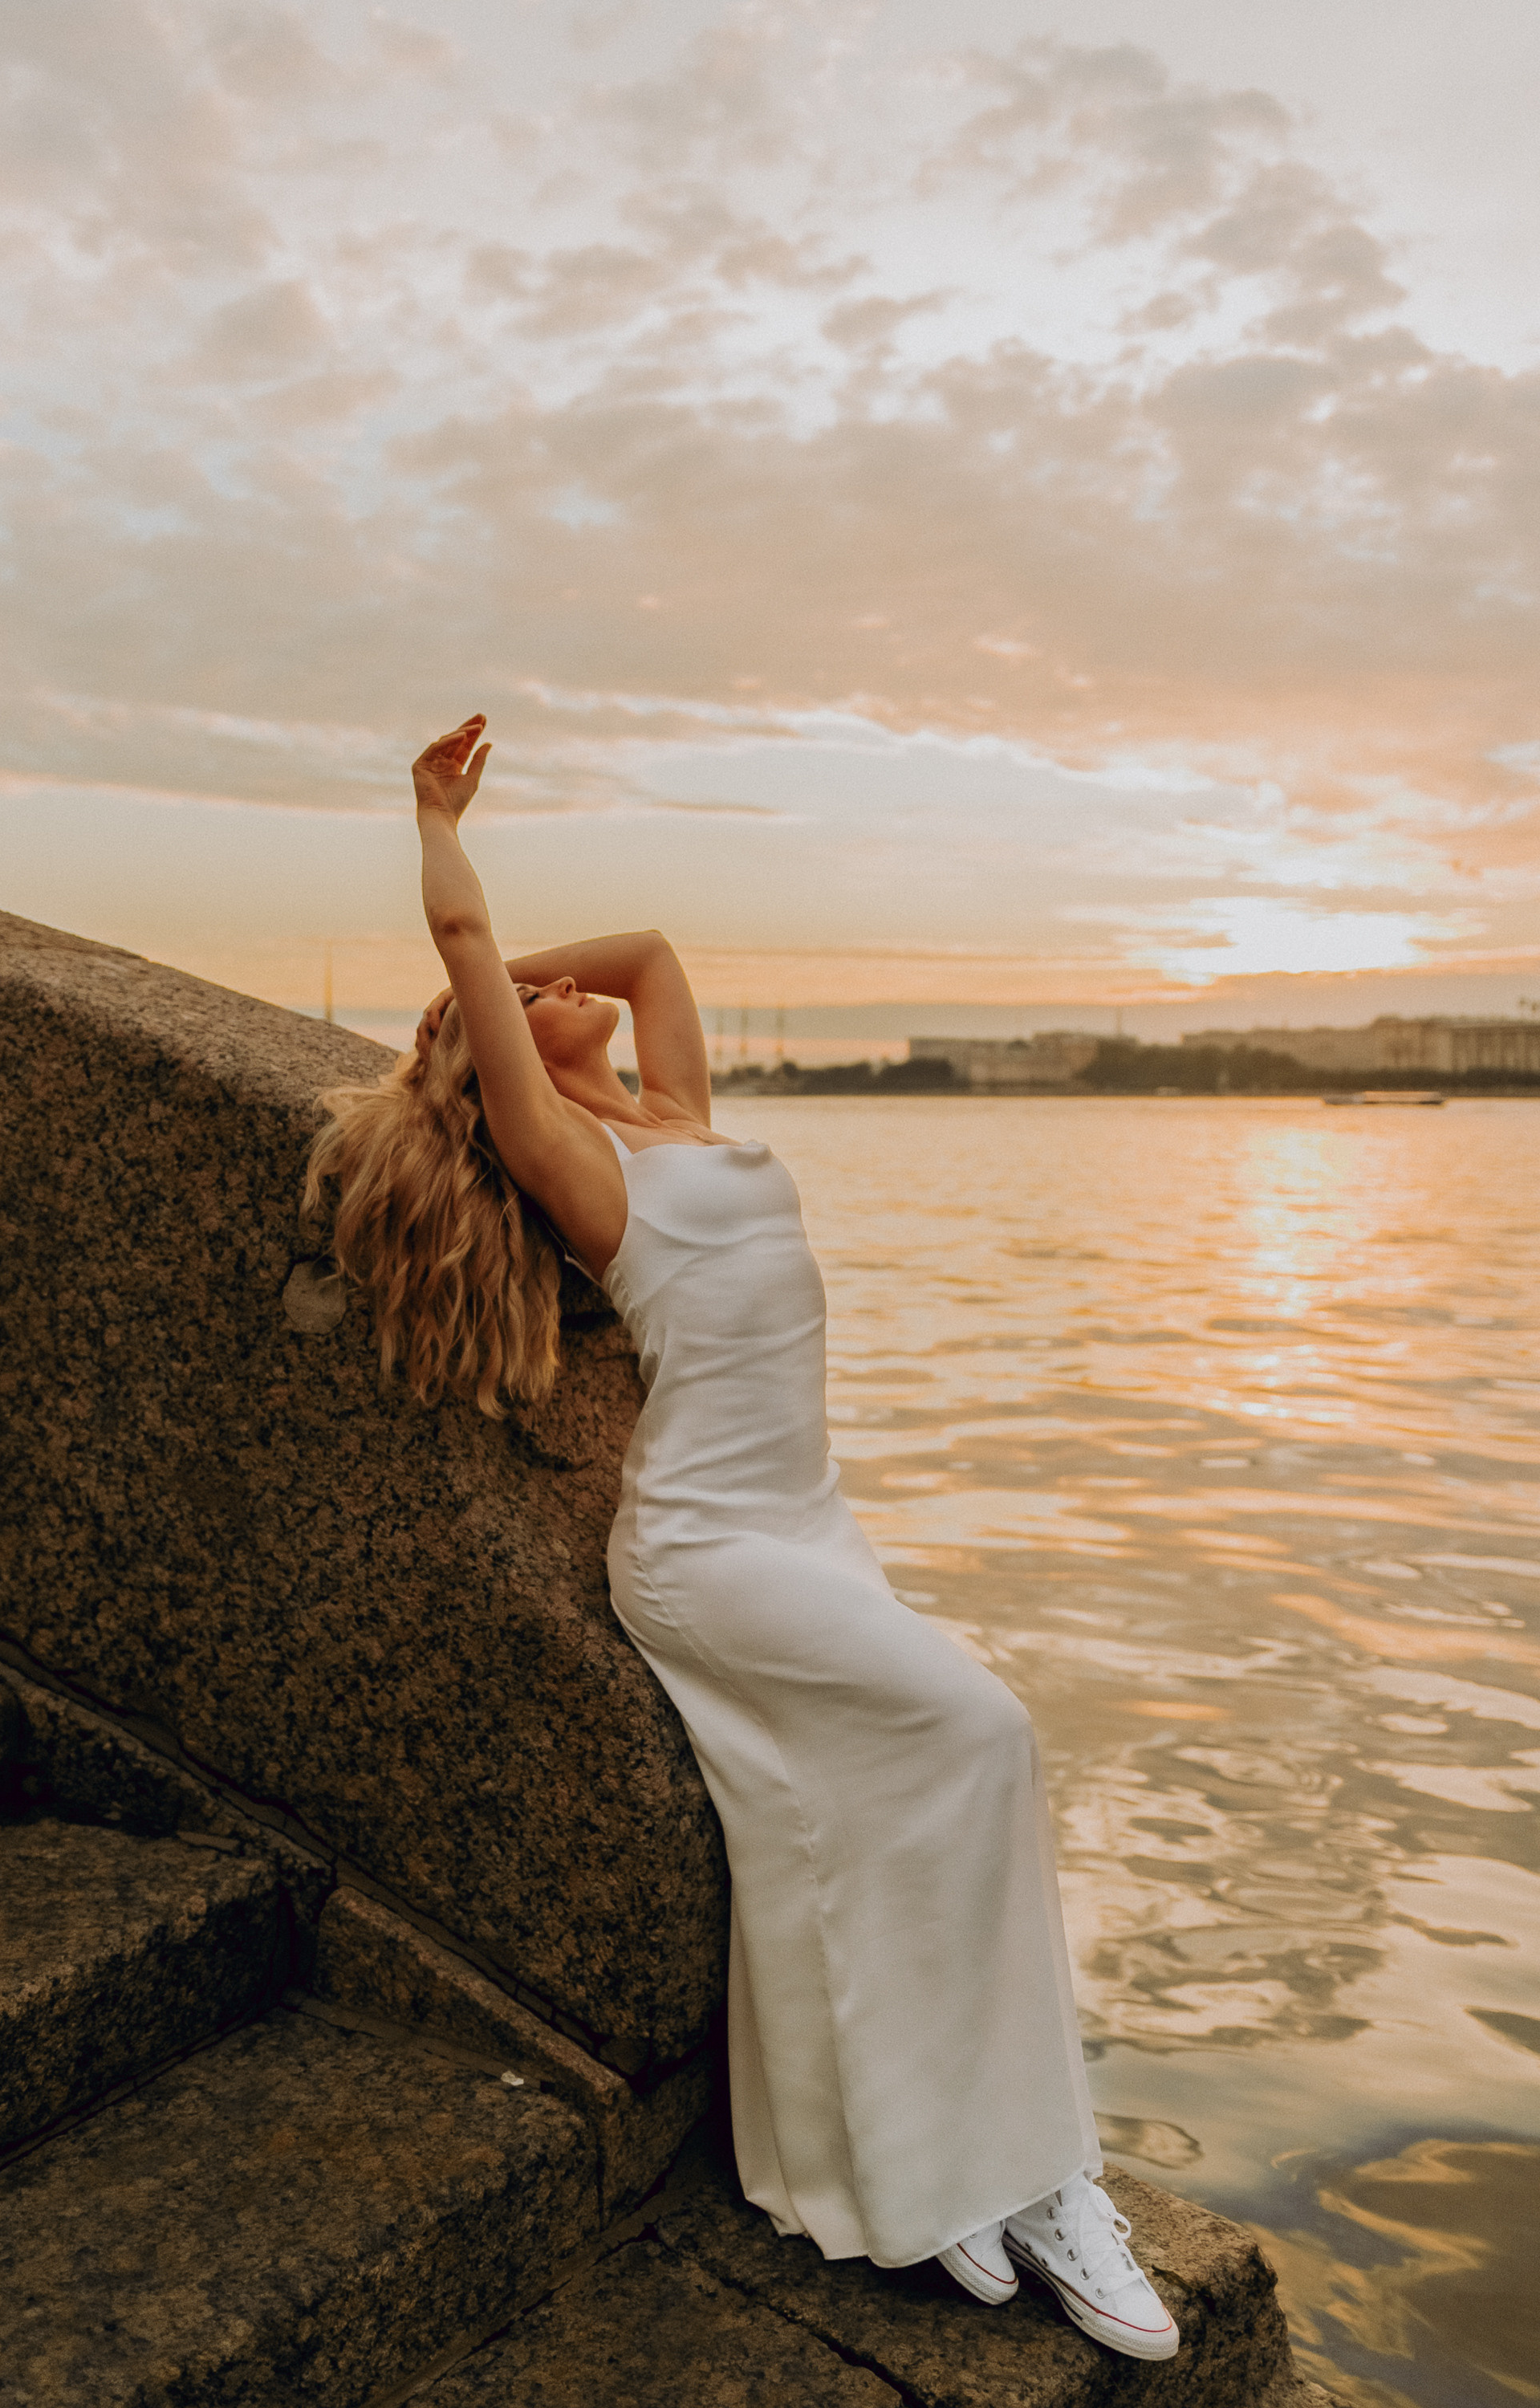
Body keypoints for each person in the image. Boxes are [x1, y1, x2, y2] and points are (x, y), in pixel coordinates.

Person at [304, 714, 1180, 2363]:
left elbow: (645, 952)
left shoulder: (672, 1106)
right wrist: (437, 832)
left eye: (557, 1007)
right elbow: (474, 939)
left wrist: (530, 992)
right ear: (507, 1080)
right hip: (710, 1550)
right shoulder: (572, 1162)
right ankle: (1049, 2176)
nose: (571, 998)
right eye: (529, 1014)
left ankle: (946, 2167)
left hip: (810, 1526)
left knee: (882, 1812)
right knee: (983, 1736)